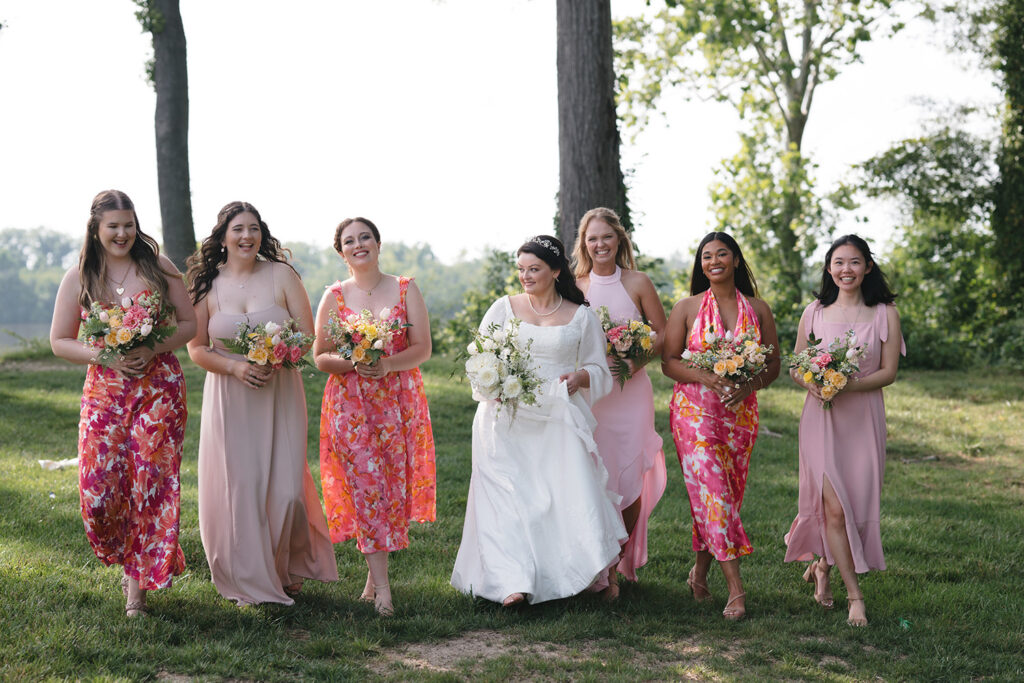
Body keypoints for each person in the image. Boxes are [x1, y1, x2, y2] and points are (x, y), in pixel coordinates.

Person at [451, 234, 627, 607]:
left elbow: (598, 368)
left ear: (556, 271)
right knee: (506, 497)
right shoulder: (503, 308)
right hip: (505, 416)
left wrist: (581, 379)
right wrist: (491, 383)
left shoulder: (581, 316)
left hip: (558, 416)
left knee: (558, 497)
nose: (525, 277)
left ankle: (578, 568)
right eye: (521, 270)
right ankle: (511, 581)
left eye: (534, 269)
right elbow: (479, 357)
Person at [50, 189, 196, 617]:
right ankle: (127, 553)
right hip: (105, 391)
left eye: (128, 225)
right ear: (96, 229)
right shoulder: (79, 277)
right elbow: (59, 341)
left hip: (159, 389)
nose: (122, 233)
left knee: (150, 481)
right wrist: (105, 354)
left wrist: (153, 349)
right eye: (113, 226)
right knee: (100, 493)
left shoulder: (158, 267)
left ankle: (137, 591)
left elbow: (188, 323)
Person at [186, 201, 337, 606]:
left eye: (253, 228)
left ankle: (284, 564)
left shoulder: (281, 275)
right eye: (238, 229)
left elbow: (308, 336)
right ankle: (248, 576)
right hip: (230, 394)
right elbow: (197, 349)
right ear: (223, 237)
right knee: (242, 487)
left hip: (279, 391)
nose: (247, 236)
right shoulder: (207, 284)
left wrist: (277, 355)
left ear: (262, 234)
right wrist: (234, 369)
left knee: (286, 489)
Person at [315, 217, 436, 617]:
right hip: (350, 407)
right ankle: (383, 588)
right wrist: (351, 361)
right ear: (341, 252)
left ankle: (372, 578)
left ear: (378, 243)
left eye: (365, 237)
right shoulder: (334, 296)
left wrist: (388, 365)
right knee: (366, 486)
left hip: (397, 403)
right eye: (349, 241)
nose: (358, 244)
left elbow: (422, 348)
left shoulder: (405, 289)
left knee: (390, 488)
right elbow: (320, 356)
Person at [784, 234, 903, 627]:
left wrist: (845, 384)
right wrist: (816, 384)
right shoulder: (814, 311)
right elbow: (797, 366)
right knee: (833, 508)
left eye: (854, 262)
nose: (845, 269)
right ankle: (856, 597)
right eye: (838, 262)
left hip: (863, 418)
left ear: (867, 266)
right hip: (821, 416)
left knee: (854, 501)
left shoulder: (884, 313)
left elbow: (888, 372)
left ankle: (822, 565)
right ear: (829, 268)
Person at [661, 231, 781, 620]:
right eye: (706, 256)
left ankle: (698, 574)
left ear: (735, 259)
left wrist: (748, 385)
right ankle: (736, 590)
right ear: (701, 264)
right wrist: (705, 376)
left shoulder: (759, 309)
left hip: (740, 416)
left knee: (720, 499)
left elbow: (773, 364)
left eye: (721, 254)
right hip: (693, 414)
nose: (714, 261)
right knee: (715, 494)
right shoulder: (687, 307)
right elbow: (669, 363)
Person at [572, 208, 668, 598]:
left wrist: (635, 358)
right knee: (596, 475)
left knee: (629, 476)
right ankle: (598, 565)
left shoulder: (638, 282)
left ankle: (618, 563)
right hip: (594, 396)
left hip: (632, 394)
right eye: (592, 239)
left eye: (606, 238)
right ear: (584, 244)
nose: (600, 245)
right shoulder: (575, 286)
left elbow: (662, 334)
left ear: (619, 241)